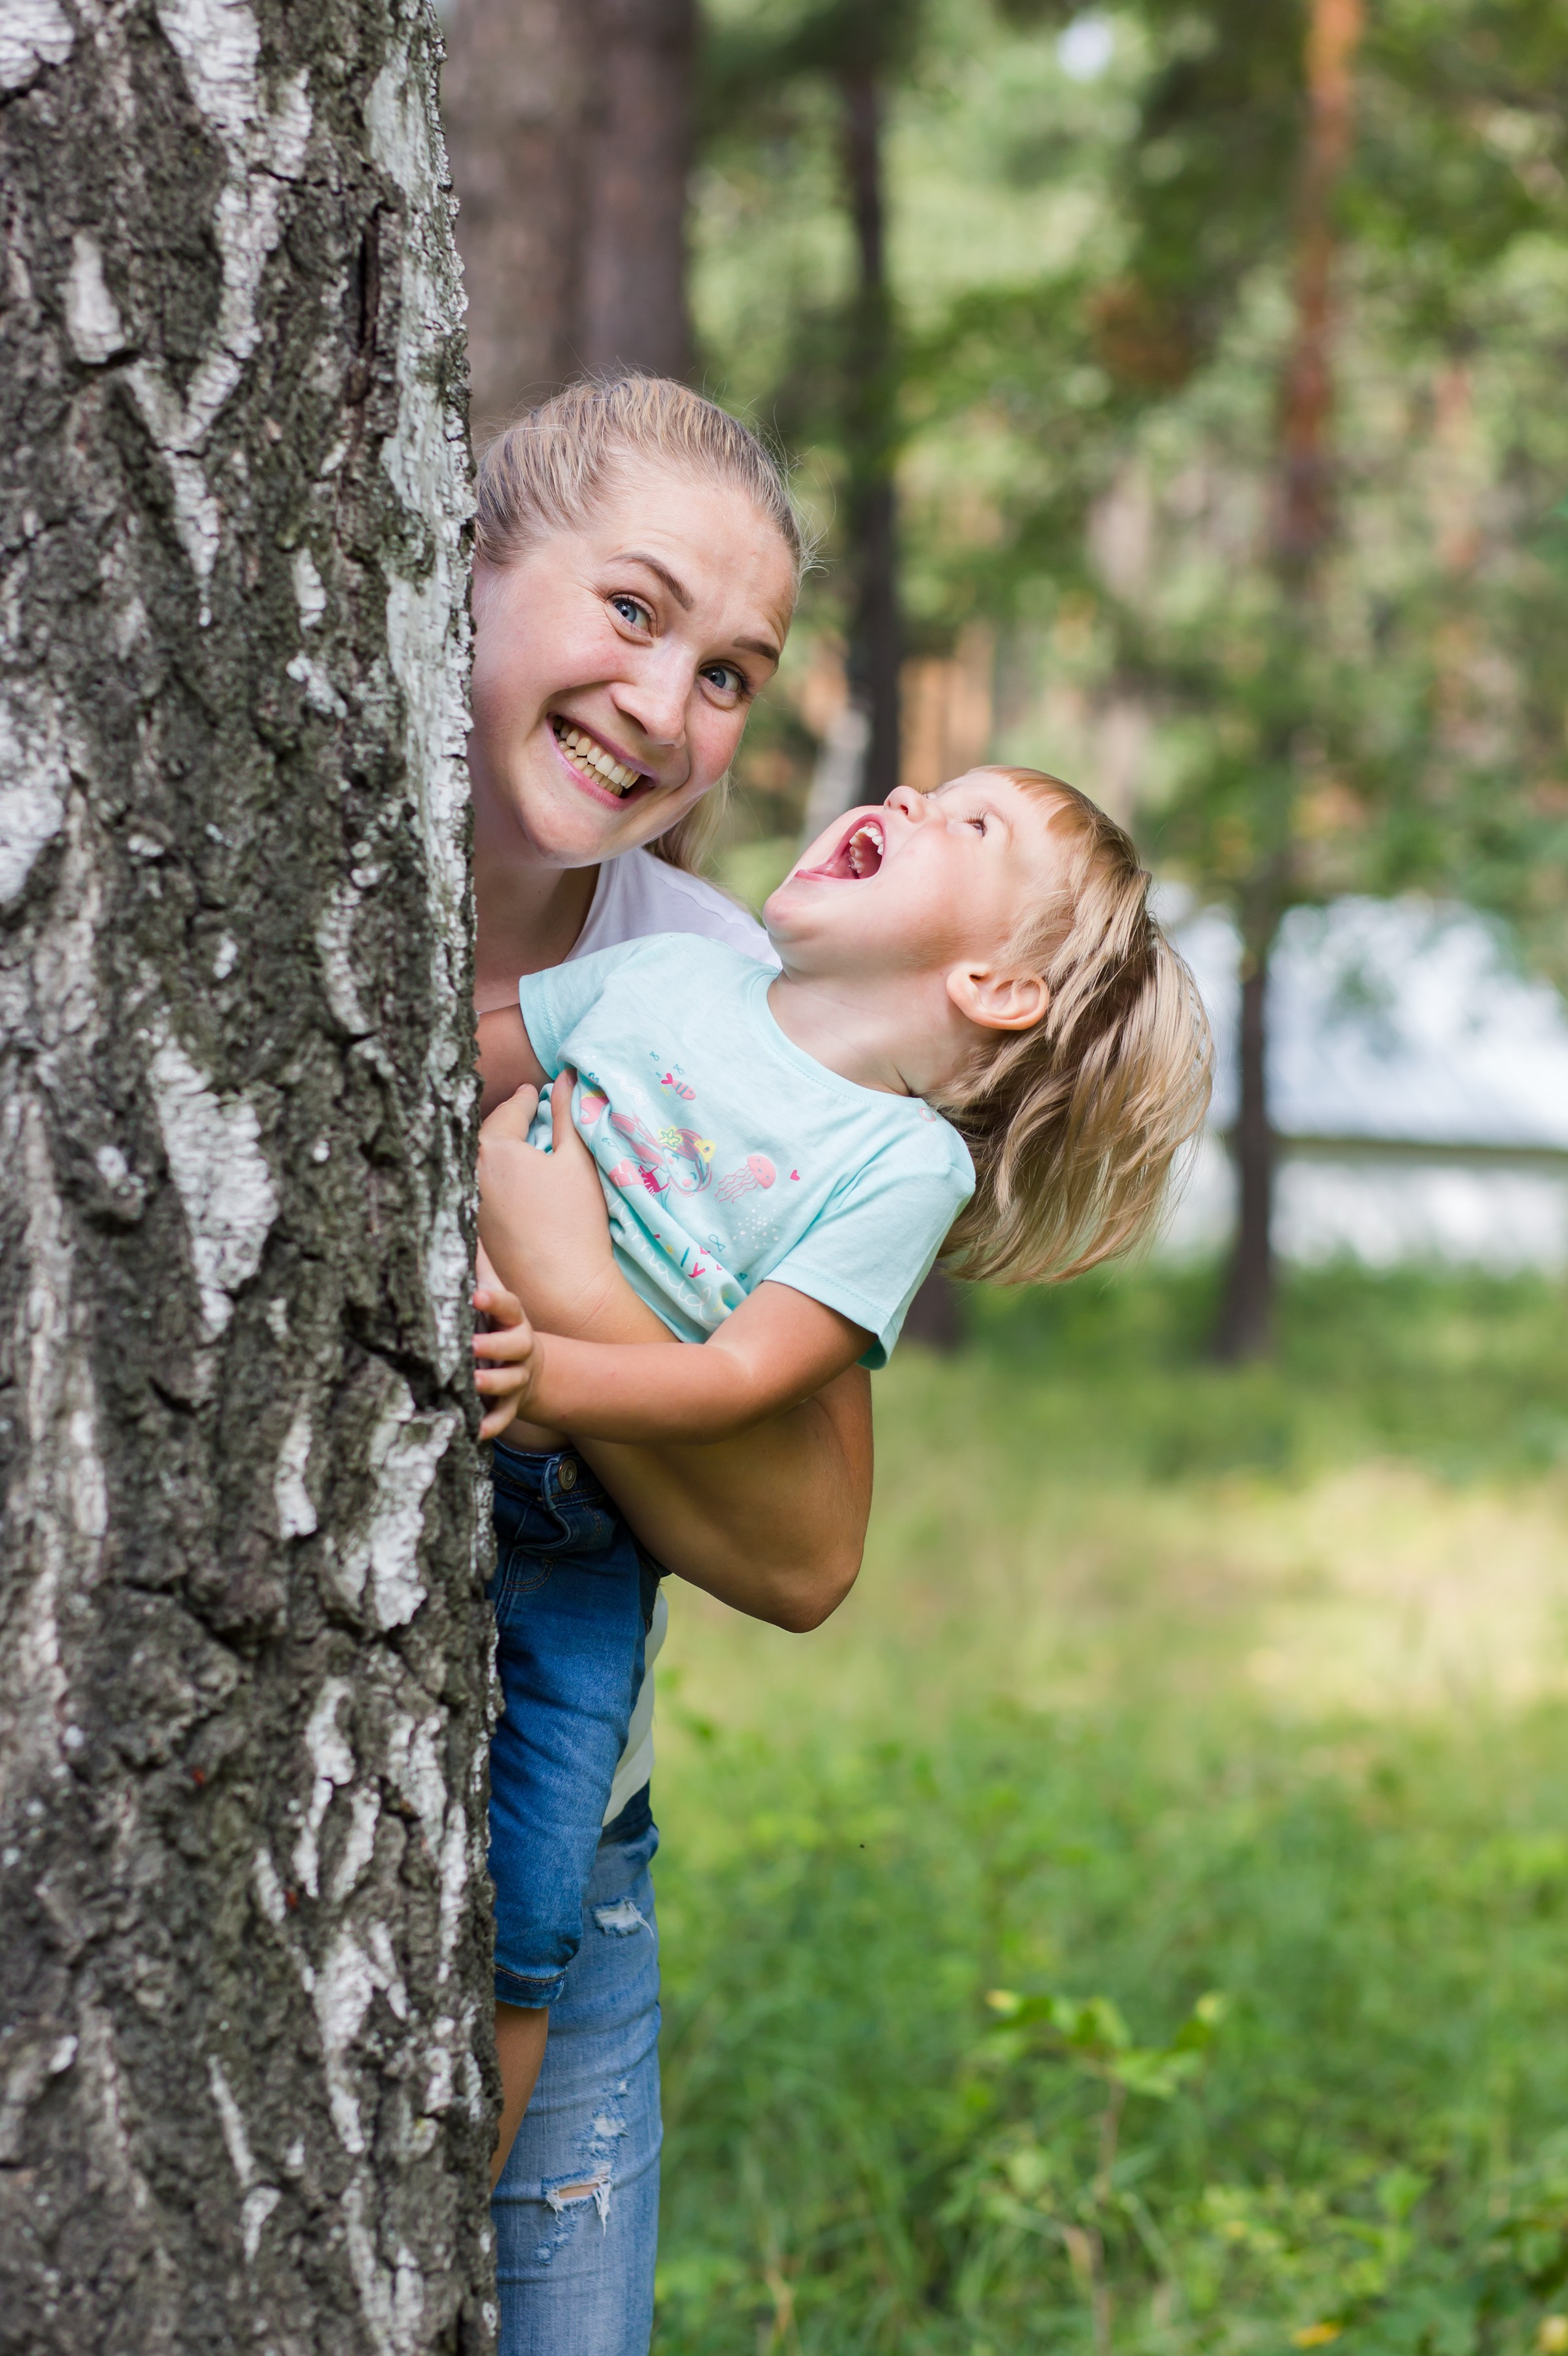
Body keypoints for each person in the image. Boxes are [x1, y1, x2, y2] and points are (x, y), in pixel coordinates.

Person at [471, 767, 1212, 2070]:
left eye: (967, 822)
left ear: (991, 986)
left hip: (576, 1536)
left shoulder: (897, 1162)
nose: (908, 792)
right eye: (926, 786)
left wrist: (549, 1378)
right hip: (468, 1430)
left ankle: (446, 2242)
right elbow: (445, 1058)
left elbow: (743, 1377)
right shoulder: (658, 977)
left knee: (524, 1916)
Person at [461, 373, 872, 2356]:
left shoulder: (706, 985)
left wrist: (570, 1289)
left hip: (569, 1866)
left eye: (727, 675)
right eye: (628, 613)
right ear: (462, 572)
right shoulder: (202, 915)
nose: (663, 708)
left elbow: (802, 1549)